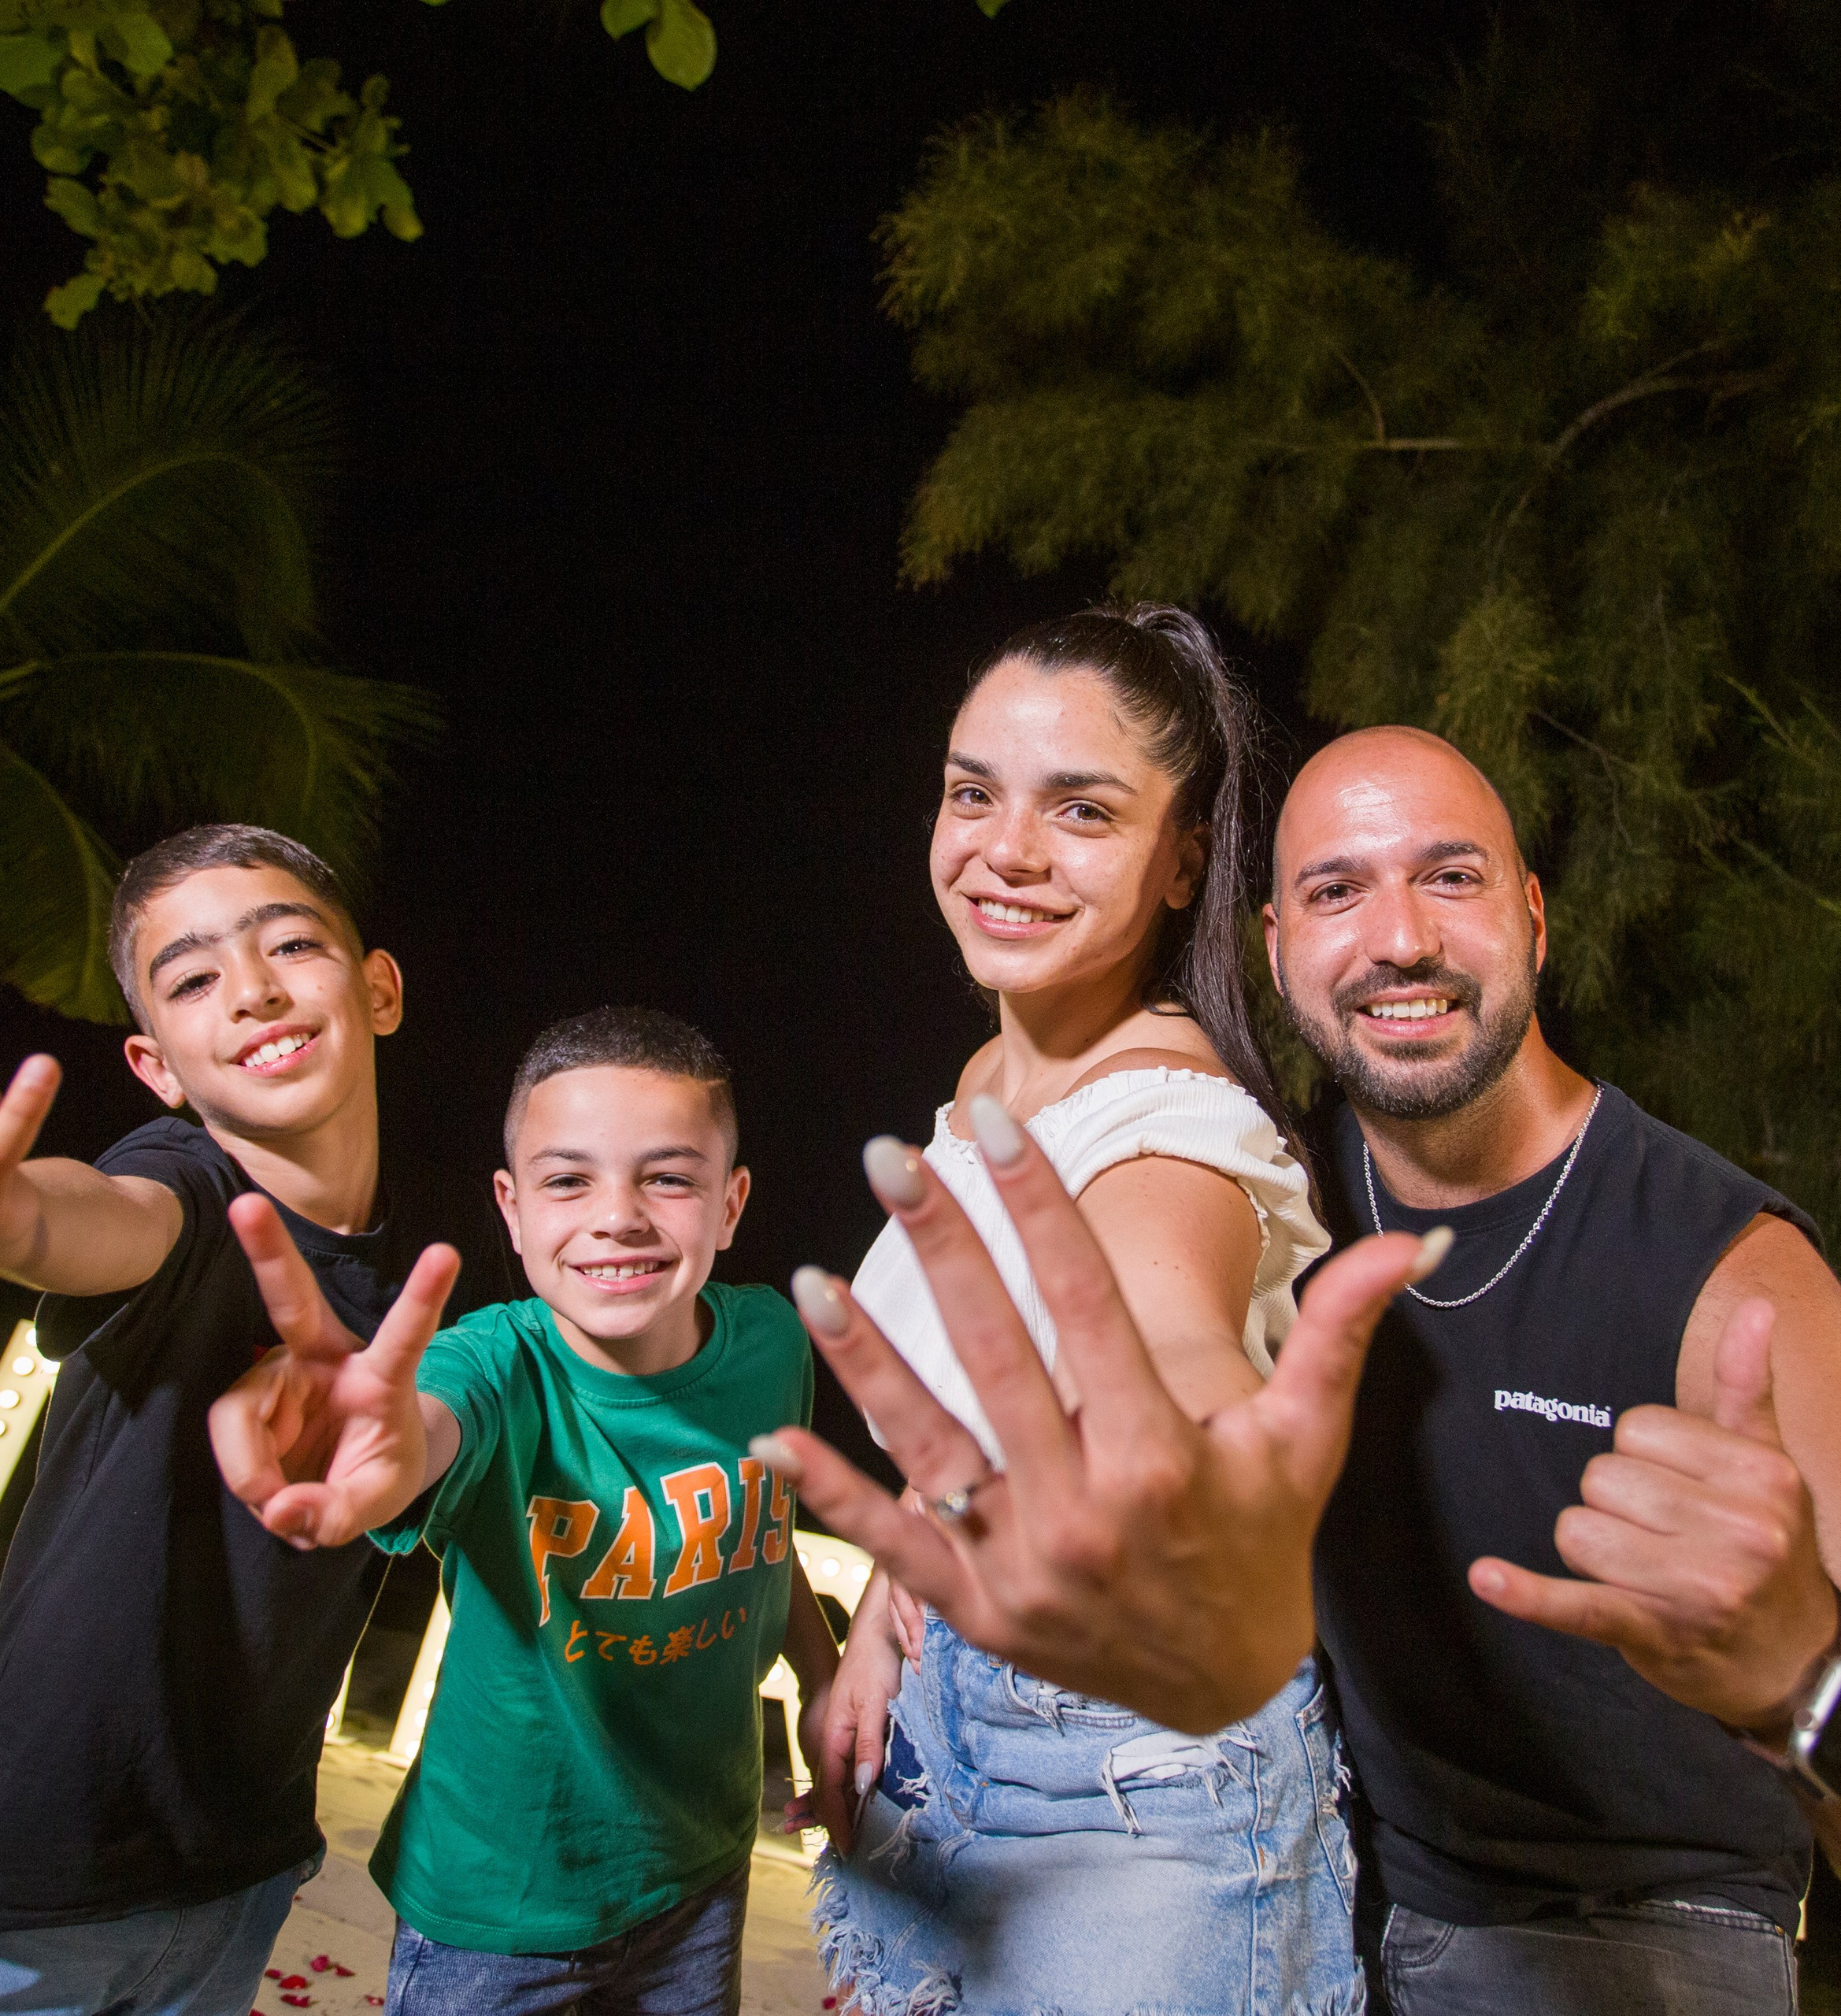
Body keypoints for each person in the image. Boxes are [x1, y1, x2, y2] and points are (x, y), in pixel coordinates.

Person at [758, 728, 1841, 1999]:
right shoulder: (1259, 1182)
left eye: (1451, 878)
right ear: (1275, 947)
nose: (1398, 937)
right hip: (1319, 1887)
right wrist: (896, 1604)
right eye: (1337, 890)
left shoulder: (1733, 1283)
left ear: (1534, 918)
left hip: (1622, 1940)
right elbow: (1123, 1365)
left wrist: (1814, 1668)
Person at [788, 605, 1362, 2016]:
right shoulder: (996, 1077)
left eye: (1083, 811)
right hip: (953, 1715)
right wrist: (888, 1610)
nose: (1006, 851)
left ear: (1183, 864)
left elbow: (1165, 1344)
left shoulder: (1172, 1132)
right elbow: (981, 1421)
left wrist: (1211, 1478)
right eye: (973, 791)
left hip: (1137, 1768)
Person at [209, 1005, 840, 2016]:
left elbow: (754, 1537)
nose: (619, 1214)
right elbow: (422, 1427)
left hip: (701, 1869)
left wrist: (821, 1676)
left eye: (668, 1177)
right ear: (511, 1205)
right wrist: (365, 1441)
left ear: (731, 1203)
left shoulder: (772, 1344)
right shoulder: (494, 1365)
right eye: (568, 1179)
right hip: (502, 1908)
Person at [0, 825, 457, 2016]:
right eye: (194, 976)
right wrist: (13, 1217)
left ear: (379, 988)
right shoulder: (189, 1186)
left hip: (244, 1869)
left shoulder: (423, 1272)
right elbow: (89, 1216)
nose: (252, 990)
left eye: (290, 945)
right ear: (157, 1068)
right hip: (35, 1864)